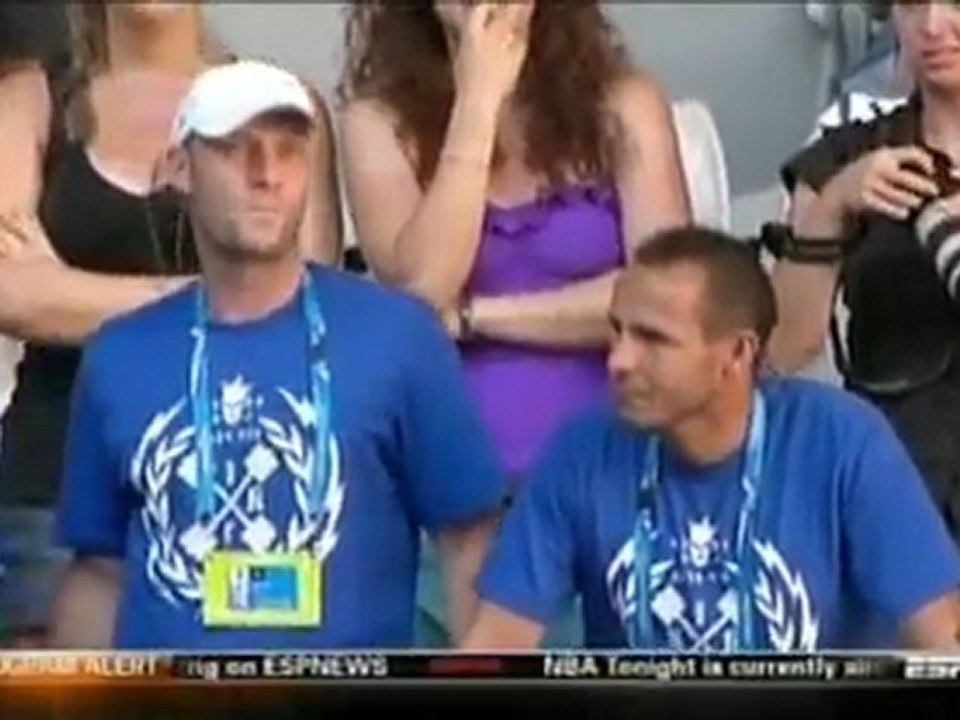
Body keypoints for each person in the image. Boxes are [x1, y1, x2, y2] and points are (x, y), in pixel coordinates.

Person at [49, 60, 503, 649]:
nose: (266, 173)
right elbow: (99, 573)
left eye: (289, 151)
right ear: (181, 168)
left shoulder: (398, 337)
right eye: (234, 149)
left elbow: (470, 541)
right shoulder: (119, 354)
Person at [338, 0, 689, 645]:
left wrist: (476, 316)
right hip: (458, 515)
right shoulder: (375, 122)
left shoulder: (622, 105)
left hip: (619, 486)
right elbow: (421, 289)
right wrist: (477, 98)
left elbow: (664, 298)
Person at [0, 2, 343, 643]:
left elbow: (301, 308)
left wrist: (66, 292)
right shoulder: (31, 97)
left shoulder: (281, 104)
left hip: (240, 484)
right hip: (55, 487)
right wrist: (213, 293)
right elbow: (10, 293)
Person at [463, 226, 960, 651]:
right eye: (617, 332)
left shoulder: (842, 440)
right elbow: (496, 646)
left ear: (738, 353)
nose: (618, 361)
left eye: (653, 339)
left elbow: (941, 641)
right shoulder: (580, 449)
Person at [767, 0, 960, 546]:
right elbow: (784, 348)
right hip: (903, 470)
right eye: (913, 5)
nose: (933, 27)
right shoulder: (844, 156)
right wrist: (832, 208)